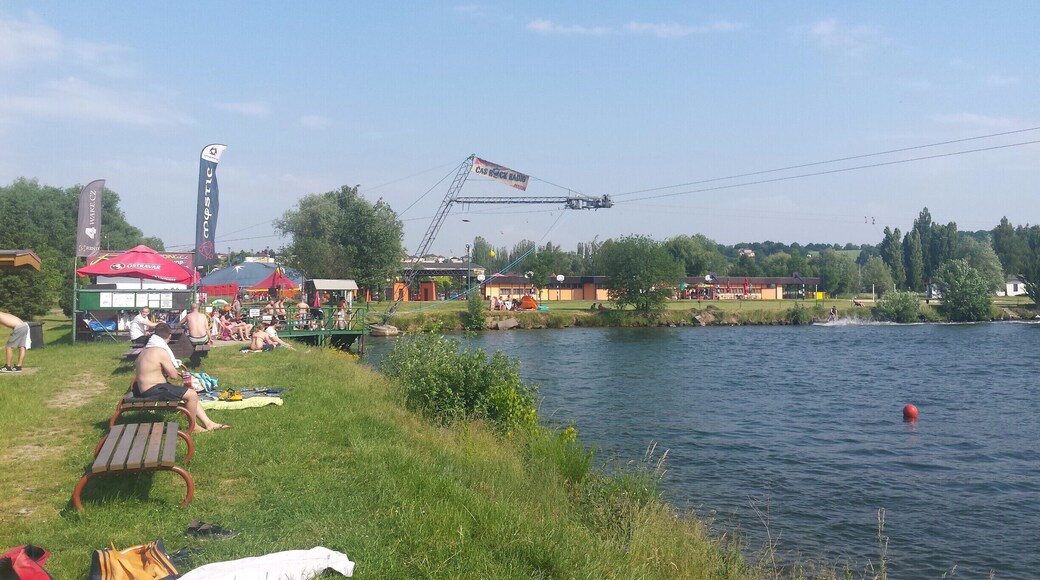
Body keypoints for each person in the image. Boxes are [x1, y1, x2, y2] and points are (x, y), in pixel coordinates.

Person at [134, 323, 228, 432]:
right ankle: (194, 427)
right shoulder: (160, 351)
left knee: (190, 394)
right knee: (191, 394)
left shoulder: (146, 350)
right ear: (169, 335)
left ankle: (208, 423)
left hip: (147, 388)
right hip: (153, 390)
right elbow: (173, 375)